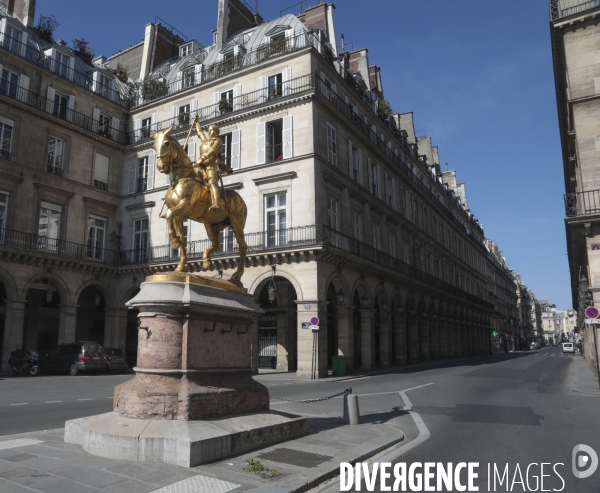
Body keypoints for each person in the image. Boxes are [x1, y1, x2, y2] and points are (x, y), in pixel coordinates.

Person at [194, 120, 233, 212]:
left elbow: (212, 150)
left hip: (212, 166)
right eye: (209, 130)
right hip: (201, 166)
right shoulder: (206, 141)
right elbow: (200, 133)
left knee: (212, 183)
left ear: (216, 131)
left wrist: (202, 158)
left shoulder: (218, 141)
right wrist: (196, 123)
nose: (209, 131)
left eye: (211, 130)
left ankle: (216, 203)